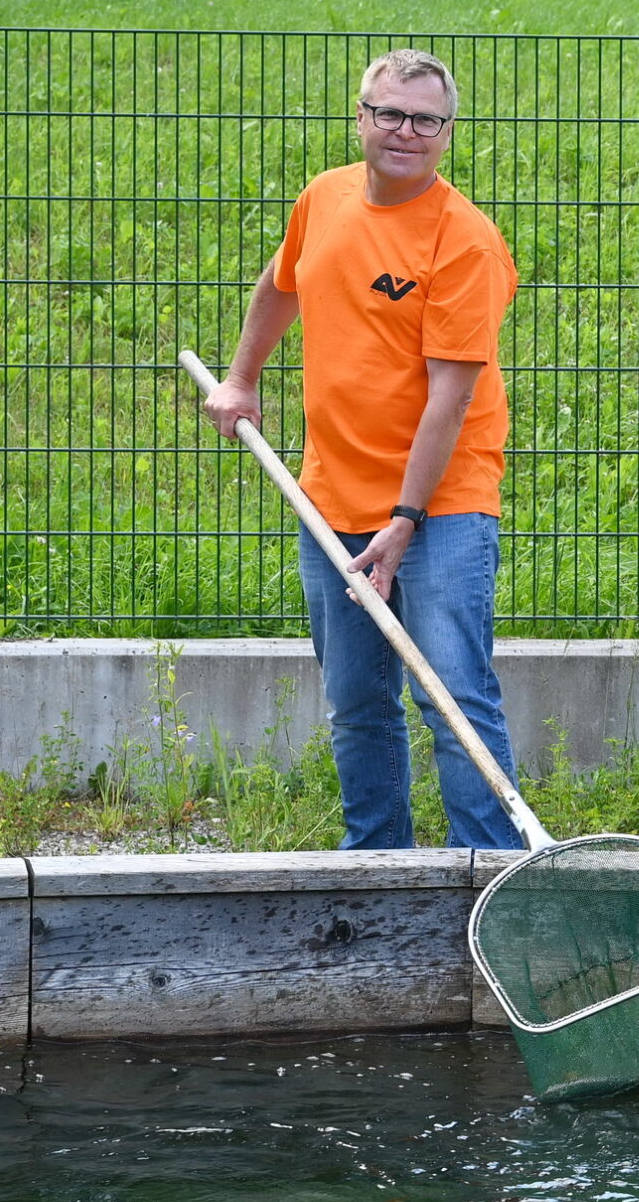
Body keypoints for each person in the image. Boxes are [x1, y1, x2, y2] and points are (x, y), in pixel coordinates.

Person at [199, 48, 523, 852]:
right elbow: (282, 284)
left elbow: (451, 400)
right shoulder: (326, 198)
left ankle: (491, 873)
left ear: (446, 134)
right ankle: (377, 866)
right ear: (361, 116)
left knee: (453, 698)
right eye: (389, 112)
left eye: (425, 119)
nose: (405, 131)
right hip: (330, 499)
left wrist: (405, 521)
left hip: (440, 506)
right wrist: (241, 379)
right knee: (356, 700)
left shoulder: (464, 243)